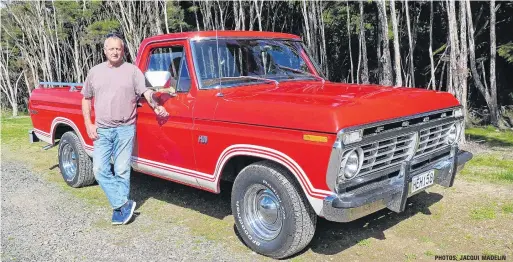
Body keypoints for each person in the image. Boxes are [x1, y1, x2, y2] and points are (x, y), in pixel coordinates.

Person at [81, 35, 169, 225]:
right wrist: (88, 123)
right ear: (104, 51)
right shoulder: (94, 72)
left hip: (125, 128)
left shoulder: (132, 71)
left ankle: (120, 210)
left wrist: (157, 106)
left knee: (121, 170)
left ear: (123, 51)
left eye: (118, 49)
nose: (115, 52)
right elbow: (86, 98)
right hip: (103, 129)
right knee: (99, 169)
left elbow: (145, 92)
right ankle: (123, 202)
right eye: (111, 49)